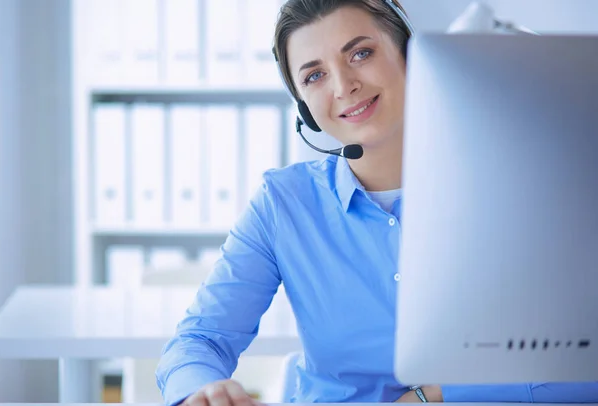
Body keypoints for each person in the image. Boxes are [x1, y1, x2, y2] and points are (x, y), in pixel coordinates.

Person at [156, 1, 598, 405]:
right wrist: (202, 391)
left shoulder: (530, 184)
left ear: (411, 55)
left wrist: (437, 395)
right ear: (305, 109)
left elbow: (584, 363)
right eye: (314, 75)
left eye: (360, 53)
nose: (344, 85)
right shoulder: (283, 204)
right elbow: (199, 340)